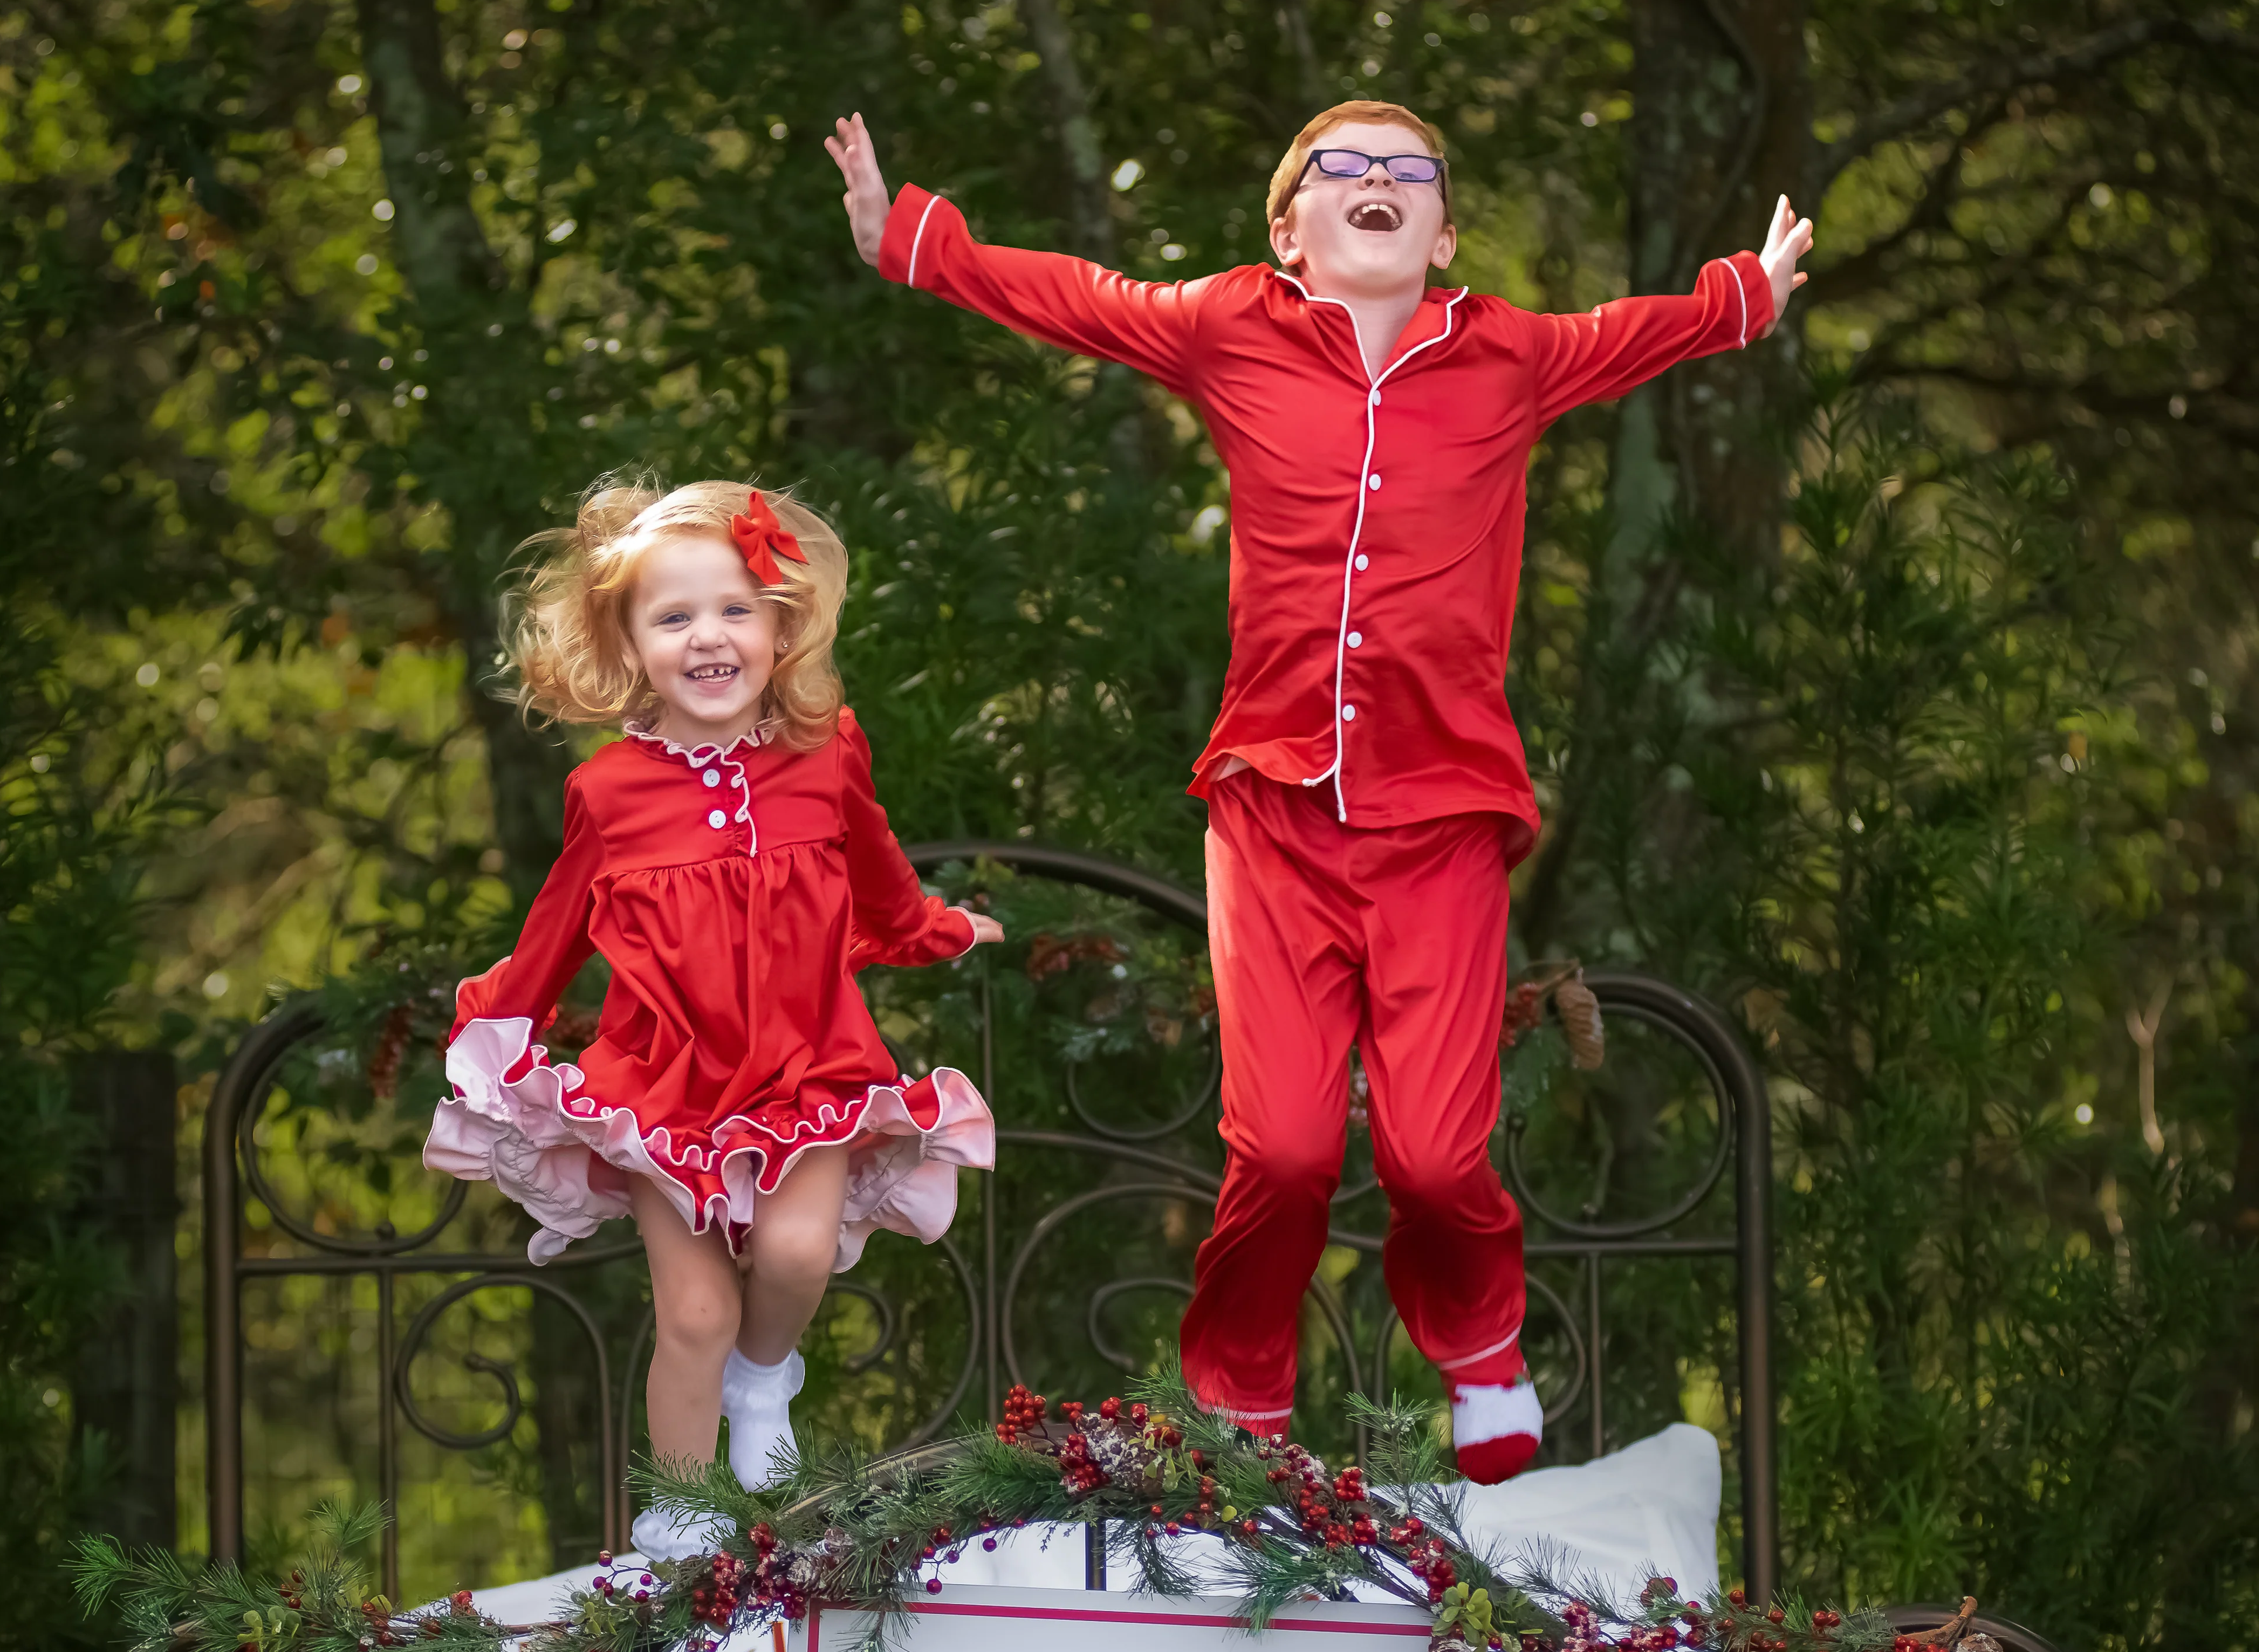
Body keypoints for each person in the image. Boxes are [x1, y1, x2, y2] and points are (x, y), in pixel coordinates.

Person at [825, 101, 1811, 1480]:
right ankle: (1241, 1398)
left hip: (1443, 817)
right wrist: (915, 240)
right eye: (1344, 168)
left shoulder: (1508, 355)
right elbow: (1082, 300)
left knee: (1431, 1157)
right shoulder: (1231, 324)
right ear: (1289, 229)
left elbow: (1625, 335)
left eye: (1409, 174)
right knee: (1283, 1149)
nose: (1379, 183)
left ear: (1444, 234)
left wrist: (1743, 297)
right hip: (1273, 808)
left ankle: (1477, 1347)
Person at [424, 477, 1000, 1548]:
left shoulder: (827, 754)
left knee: (790, 1257)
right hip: (664, 1087)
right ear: (630, 642)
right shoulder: (608, 793)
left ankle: (765, 1377)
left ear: (781, 627)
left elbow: (879, 883)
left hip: (809, 1067)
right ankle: (682, 1526)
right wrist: (490, 1030)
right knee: (692, 1311)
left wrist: (938, 931)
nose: (708, 638)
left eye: (735, 609)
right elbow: (553, 929)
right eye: (674, 616)